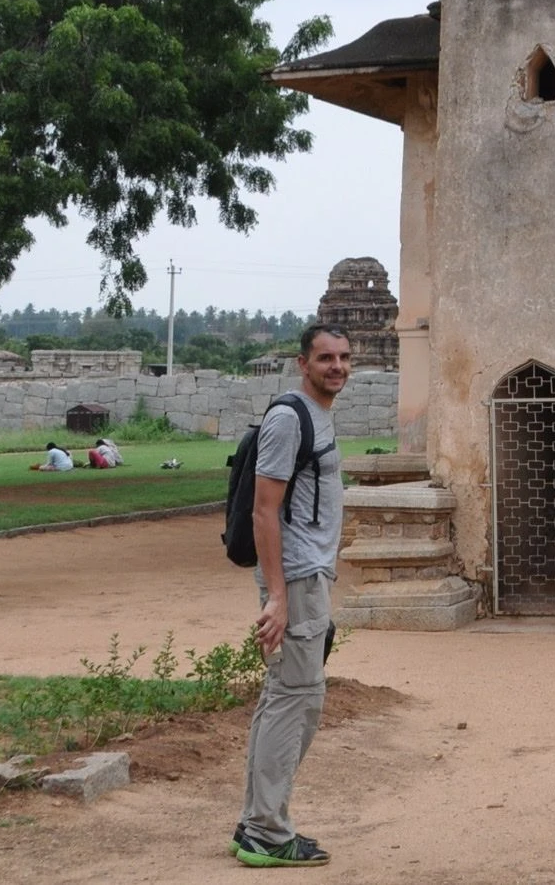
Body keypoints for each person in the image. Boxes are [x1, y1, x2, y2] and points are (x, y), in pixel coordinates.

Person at [233, 323, 349, 868]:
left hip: (307, 576)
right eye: (325, 357)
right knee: (299, 699)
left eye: (344, 357)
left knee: (285, 697)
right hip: (295, 581)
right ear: (303, 363)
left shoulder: (318, 414)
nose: (337, 366)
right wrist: (277, 597)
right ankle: (267, 832)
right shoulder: (289, 418)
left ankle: (257, 822)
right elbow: (264, 509)